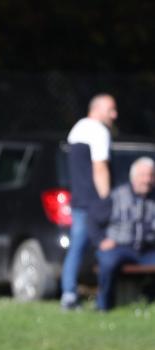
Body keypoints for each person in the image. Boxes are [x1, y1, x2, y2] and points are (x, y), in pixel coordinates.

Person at [62, 94, 118, 310]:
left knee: (76, 248)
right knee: (104, 248)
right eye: (111, 110)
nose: (114, 115)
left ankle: (69, 293)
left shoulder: (77, 129)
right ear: (97, 109)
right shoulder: (99, 131)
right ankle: (104, 297)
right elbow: (100, 167)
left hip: (79, 200)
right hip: (95, 202)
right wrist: (106, 200)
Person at [88, 157, 155, 311]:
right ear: (133, 177)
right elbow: (92, 219)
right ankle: (103, 305)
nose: (147, 180)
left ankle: (150, 298)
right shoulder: (117, 196)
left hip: (148, 249)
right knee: (107, 261)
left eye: (151, 176)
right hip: (121, 247)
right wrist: (100, 241)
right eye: (143, 175)